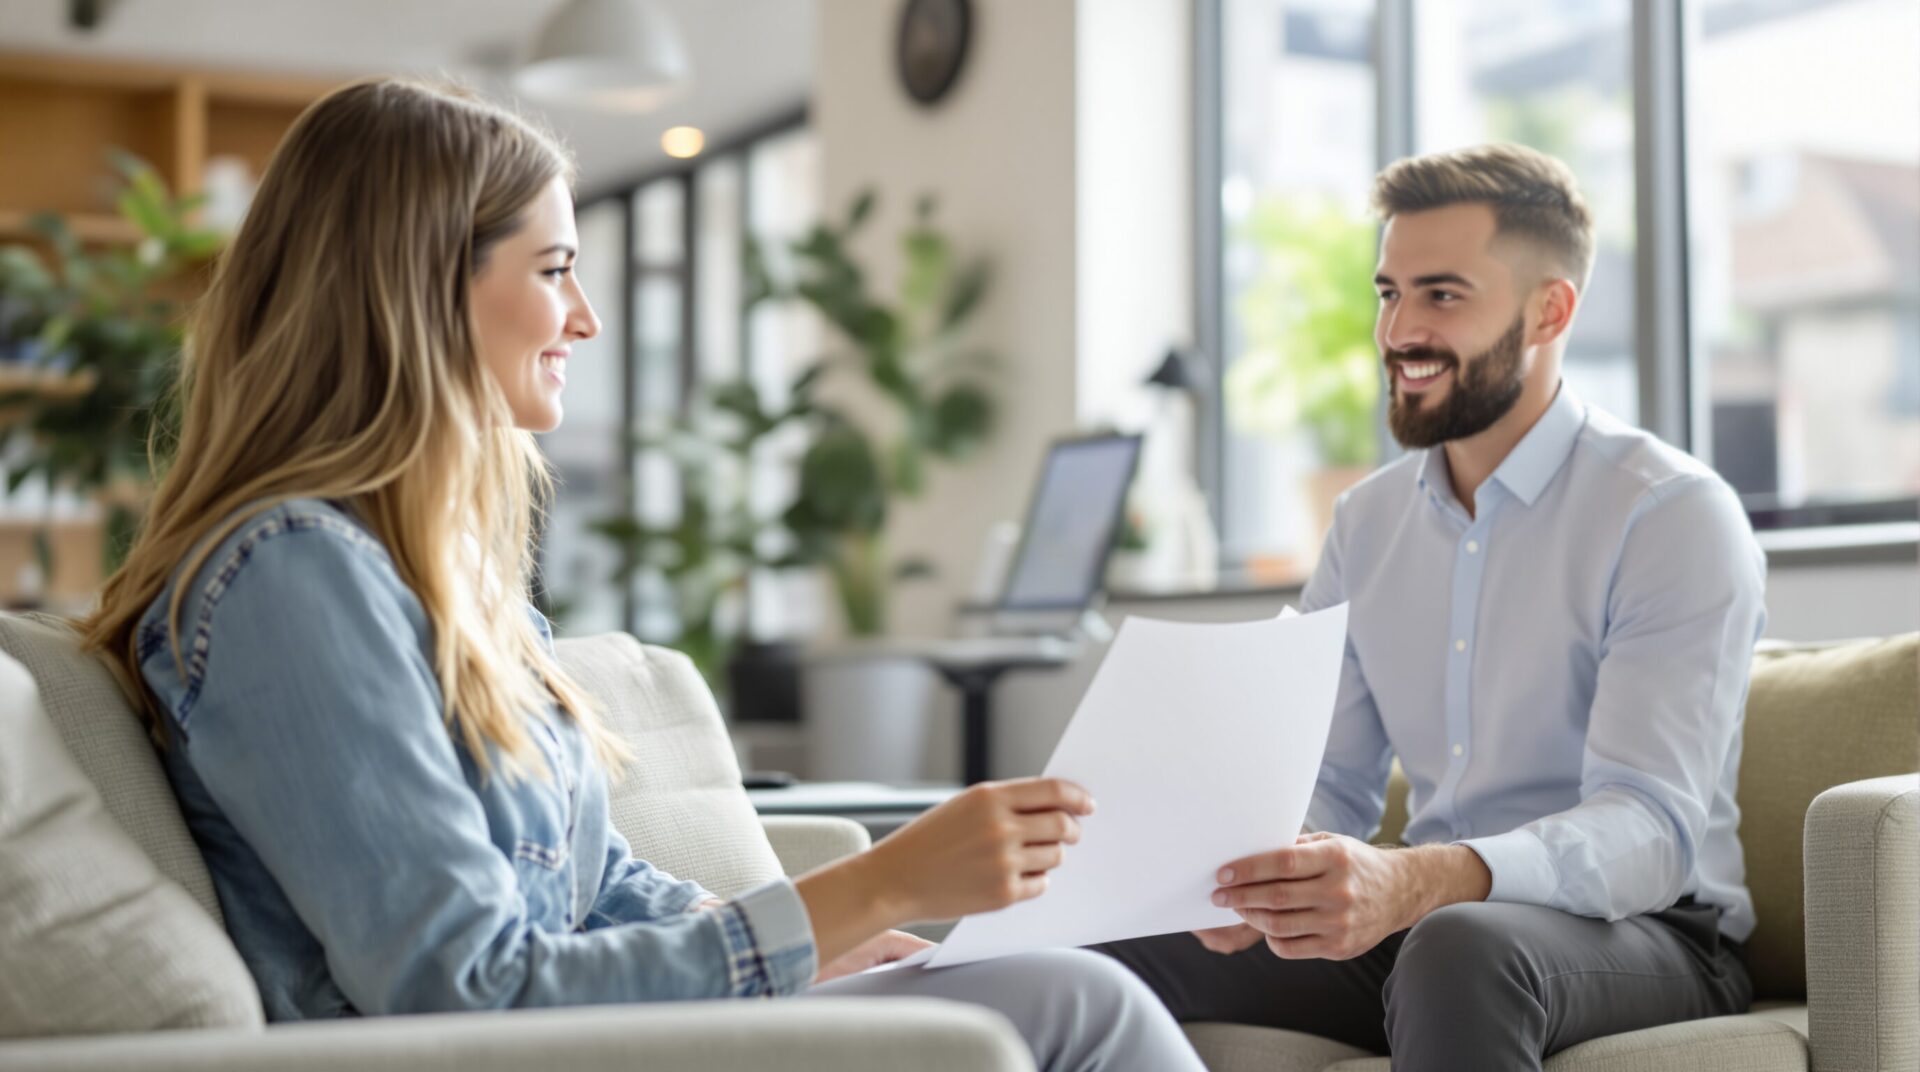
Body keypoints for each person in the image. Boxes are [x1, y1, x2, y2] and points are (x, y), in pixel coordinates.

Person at [78, 77, 1204, 1072]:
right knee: (1078, 1006)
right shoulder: (291, 579)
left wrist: (823, 938)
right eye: (554, 270)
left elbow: (592, 881)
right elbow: (460, 989)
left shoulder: (446, 579)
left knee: (1066, 985)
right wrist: (879, 884)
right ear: (420, 286)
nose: (587, 317)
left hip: (598, 1028)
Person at [1093, 143, 1763, 1071]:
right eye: (1388, 293)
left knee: (1459, 945)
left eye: (1442, 295)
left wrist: (1420, 881)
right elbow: (1328, 781)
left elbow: (1649, 831)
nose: (1398, 329)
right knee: (1108, 940)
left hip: (1649, 930)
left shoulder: (1669, 514)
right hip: (1427, 930)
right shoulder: (1366, 524)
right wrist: (1239, 877)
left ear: (1550, 310)